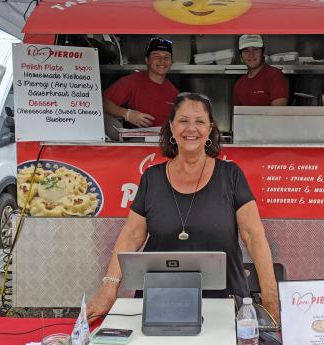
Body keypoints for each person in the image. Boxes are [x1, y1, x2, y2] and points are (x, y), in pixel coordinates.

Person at [87, 92, 279, 321]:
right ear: (171, 127)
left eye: (199, 121)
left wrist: (270, 298)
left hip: (224, 303)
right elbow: (132, 234)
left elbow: (253, 235)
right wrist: (109, 288)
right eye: (183, 121)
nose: (191, 129)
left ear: (210, 129)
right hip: (159, 301)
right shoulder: (152, 178)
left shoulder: (231, 175)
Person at [103, 37, 179, 139]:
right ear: (147, 60)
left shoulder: (174, 92)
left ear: (171, 62)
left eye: (166, 57)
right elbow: (101, 102)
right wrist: (128, 114)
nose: (162, 61)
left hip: (166, 144)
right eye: (156, 56)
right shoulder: (131, 82)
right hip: (137, 145)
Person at [233, 34, 289, 106]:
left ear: (263, 53)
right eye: (246, 51)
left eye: (255, 49)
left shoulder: (275, 76)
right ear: (241, 57)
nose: (251, 54)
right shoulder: (239, 84)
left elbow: (278, 113)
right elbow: (236, 115)